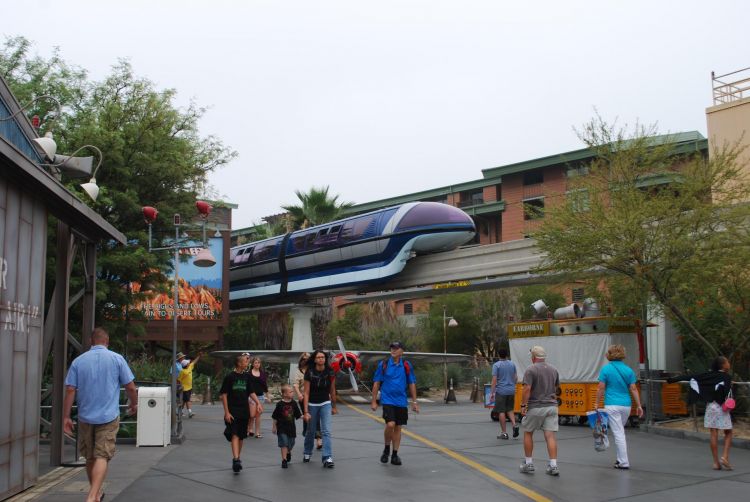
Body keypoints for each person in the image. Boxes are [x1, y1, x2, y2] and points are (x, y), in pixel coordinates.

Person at [63, 328, 137, 502]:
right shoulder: (117, 359)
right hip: (108, 416)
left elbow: (70, 389)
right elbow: (131, 387)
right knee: (102, 456)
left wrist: (66, 417)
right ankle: (91, 497)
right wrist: (134, 404)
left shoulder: (78, 361)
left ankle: (96, 493)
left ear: (91, 341)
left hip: (85, 417)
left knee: (90, 456)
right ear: (107, 341)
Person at [668, 356, 734, 470]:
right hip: (721, 408)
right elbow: (727, 393)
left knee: (713, 433)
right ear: (723, 365)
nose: (729, 364)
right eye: (727, 362)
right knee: (728, 432)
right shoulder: (726, 377)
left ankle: (715, 463)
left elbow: (689, 377)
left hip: (710, 407)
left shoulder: (707, 375)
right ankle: (725, 457)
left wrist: (671, 380)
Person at [593, 344, 643, 469]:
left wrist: (596, 402)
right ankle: (620, 459)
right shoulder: (628, 370)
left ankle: (624, 462)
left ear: (609, 354)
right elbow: (633, 388)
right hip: (626, 405)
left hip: (612, 404)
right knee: (620, 431)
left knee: (618, 433)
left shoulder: (606, 369)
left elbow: (601, 388)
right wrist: (639, 405)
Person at [370, 341, 418, 466]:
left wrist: (414, 401)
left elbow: (412, 383)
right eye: (392, 348)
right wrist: (374, 400)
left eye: (396, 348)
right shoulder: (384, 364)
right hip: (387, 400)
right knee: (390, 424)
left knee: (398, 427)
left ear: (402, 351)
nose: (393, 350)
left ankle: (395, 454)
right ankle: (386, 449)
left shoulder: (407, 365)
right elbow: (376, 383)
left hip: (401, 401)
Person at [519, 345, 560, 476]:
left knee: (528, 433)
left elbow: (526, 389)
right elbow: (557, 388)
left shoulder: (531, 369)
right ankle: (553, 465)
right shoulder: (554, 369)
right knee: (550, 436)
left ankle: (528, 463)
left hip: (535, 406)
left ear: (533, 357)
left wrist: (523, 405)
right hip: (551, 407)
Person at [220, 352, 261, 473]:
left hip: (244, 410)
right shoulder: (230, 377)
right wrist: (227, 412)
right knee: (235, 434)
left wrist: (258, 403)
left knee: (241, 436)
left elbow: (251, 392)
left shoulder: (247, 377)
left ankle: (237, 458)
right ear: (239, 363)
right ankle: (236, 459)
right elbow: (224, 395)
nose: (248, 362)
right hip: (233, 410)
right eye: (246, 361)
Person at [303, 349, 338, 468]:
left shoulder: (330, 372)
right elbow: (306, 393)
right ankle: (307, 452)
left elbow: (332, 390)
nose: (321, 359)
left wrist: (334, 406)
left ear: (325, 359)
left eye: (323, 357)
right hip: (312, 404)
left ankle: (327, 457)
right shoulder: (309, 372)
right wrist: (306, 411)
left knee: (326, 431)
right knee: (311, 431)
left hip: (325, 403)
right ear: (315, 359)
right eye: (318, 357)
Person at [293, 352, 322, 449]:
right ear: (301, 361)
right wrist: (299, 394)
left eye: (307, 359)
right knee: (307, 417)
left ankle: (318, 440)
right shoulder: (298, 371)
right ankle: (307, 436)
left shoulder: (314, 370)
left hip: (314, 397)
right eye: (303, 359)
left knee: (316, 417)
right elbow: (295, 385)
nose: (305, 361)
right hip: (303, 398)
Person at [489, 348, 519, 440]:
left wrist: (492, 393)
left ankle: (504, 433)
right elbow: (516, 378)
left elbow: (494, 380)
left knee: (501, 411)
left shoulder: (496, 365)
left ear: (498, 355)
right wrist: (512, 385)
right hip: (511, 390)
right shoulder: (512, 364)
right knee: (510, 409)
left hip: (501, 391)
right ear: (507, 355)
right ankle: (514, 425)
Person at [272, 384, 302, 468]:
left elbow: (298, 414)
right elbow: (275, 416)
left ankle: (288, 452)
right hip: (281, 427)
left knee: (291, 443)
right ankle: (284, 460)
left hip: (291, 427)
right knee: (284, 443)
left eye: (292, 391)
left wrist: (305, 417)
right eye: (291, 392)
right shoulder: (279, 404)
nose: (293, 393)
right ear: (285, 394)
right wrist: (274, 427)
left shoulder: (294, 403)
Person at [248, 356, 270, 437]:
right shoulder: (249, 373)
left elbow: (265, 386)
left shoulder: (262, 374)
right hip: (252, 396)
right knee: (252, 415)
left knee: (258, 415)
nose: (257, 364)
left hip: (260, 396)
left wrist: (267, 396)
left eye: (259, 363)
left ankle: (257, 432)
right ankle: (249, 428)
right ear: (253, 364)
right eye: (256, 363)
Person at [177, 352, 202, 418]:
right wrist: (179, 386)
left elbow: (194, 362)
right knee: (187, 400)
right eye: (188, 363)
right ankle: (190, 412)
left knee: (184, 401)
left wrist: (199, 356)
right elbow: (178, 380)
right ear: (186, 365)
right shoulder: (182, 372)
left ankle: (179, 411)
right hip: (184, 388)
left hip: (189, 387)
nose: (189, 363)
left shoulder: (189, 368)